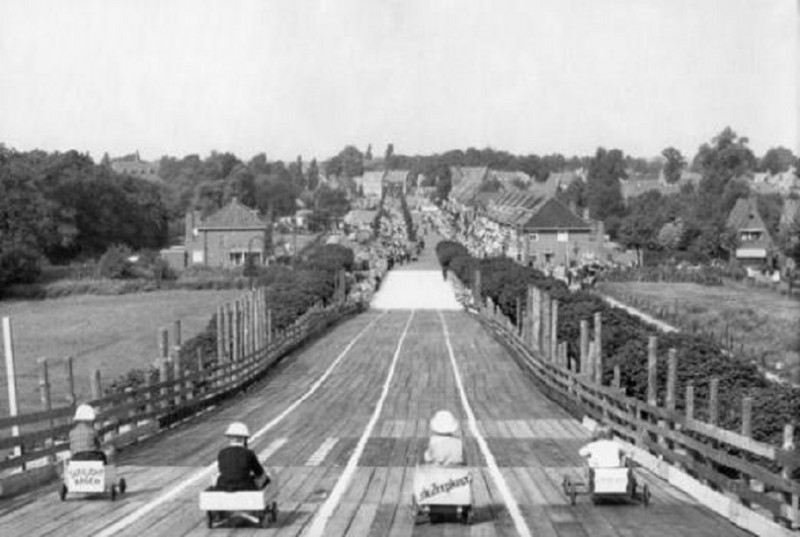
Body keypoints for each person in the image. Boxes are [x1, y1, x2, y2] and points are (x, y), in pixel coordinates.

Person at [216, 422, 268, 492]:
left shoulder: (222, 453)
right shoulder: (249, 453)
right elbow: (259, 472)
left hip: (223, 487)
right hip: (244, 487)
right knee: (265, 478)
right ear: (244, 439)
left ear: (230, 437)